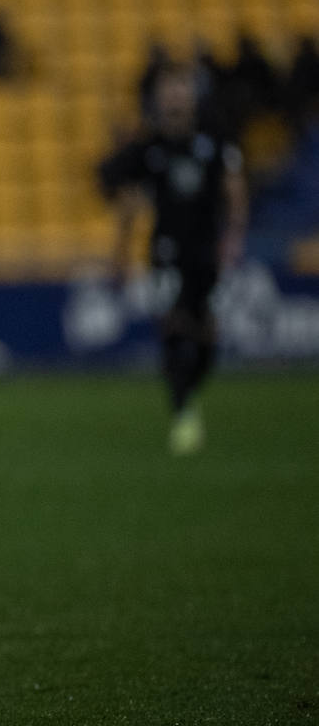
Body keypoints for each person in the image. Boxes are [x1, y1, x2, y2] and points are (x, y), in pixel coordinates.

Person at [100, 63, 248, 455]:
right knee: (174, 326)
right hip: (165, 250)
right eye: (168, 89)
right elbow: (129, 205)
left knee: (204, 336)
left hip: (205, 251)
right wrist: (119, 254)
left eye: (180, 88)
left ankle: (189, 390)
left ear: (191, 94)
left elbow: (235, 192)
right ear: (158, 97)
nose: (174, 96)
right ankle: (183, 412)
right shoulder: (149, 148)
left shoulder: (214, 142)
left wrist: (233, 238)